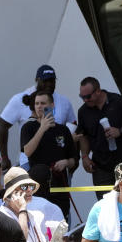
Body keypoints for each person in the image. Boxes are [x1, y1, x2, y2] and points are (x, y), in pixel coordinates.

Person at [0, 64, 78, 171]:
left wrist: (71, 159)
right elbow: (2, 126)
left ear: (52, 105)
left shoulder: (64, 102)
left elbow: (73, 125)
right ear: (37, 80)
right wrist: (5, 157)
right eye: (45, 81)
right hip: (30, 162)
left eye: (52, 81)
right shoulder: (20, 100)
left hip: (57, 163)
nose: (49, 84)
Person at [76, 77, 122, 197]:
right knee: (106, 207)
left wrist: (120, 131)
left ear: (98, 91)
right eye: (82, 97)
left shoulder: (119, 102)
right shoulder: (83, 111)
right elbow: (83, 136)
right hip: (101, 167)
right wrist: (84, 156)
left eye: (88, 96)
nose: (85, 100)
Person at [20, 90, 78, 218]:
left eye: (43, 103)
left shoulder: (62, 130)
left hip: (60, 187)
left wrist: (66, 162)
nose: (39, 106)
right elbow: (27, 151)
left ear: (52, 105)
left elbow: (74, 158)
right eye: (37, 103)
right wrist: (42, 128)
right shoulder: (28, 128)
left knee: (61, 226)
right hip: (38, 189)